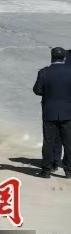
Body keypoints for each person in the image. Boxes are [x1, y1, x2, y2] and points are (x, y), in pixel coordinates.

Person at [33, 47, 71, 178]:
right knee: (68, 143)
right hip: (68, 113)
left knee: (48, 142)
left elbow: (37, 90)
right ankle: (68, 170)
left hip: (49, 112)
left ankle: (46, 170)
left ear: (51, 57)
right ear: (64, 58)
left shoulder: (44, 72)